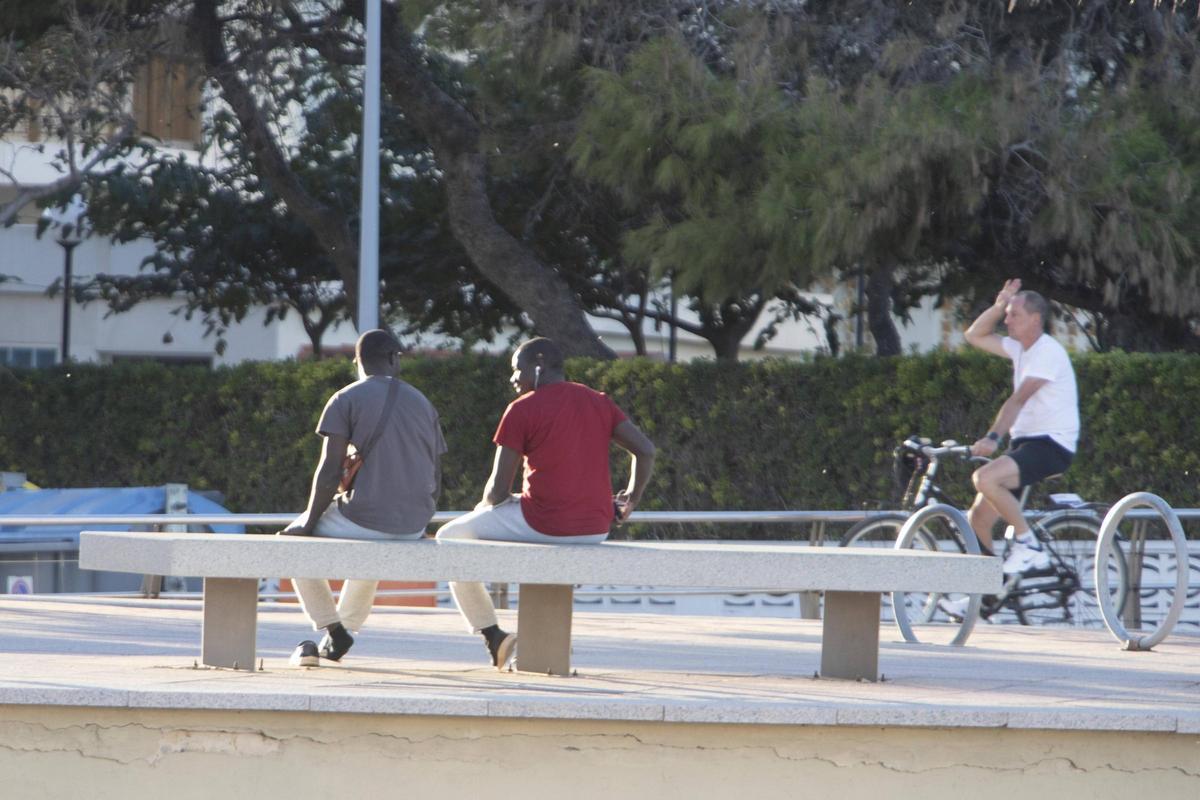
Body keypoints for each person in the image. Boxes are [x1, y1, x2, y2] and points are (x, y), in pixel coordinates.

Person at [435, 337, 656, 670]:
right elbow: (646, 450)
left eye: (516, 370)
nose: (512, 379)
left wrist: (486, 512)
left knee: (449, 537)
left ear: (537, 367)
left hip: (543, 523)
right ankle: (502, 639)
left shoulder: (522, 408)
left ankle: (492, 635)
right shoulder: (597, 401)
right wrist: (631, 499)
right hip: (596, 528)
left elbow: (496, 490)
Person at [279, 329, 447, 667]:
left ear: (357, 362)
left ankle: (332, 626)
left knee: (291, 546)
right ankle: (340, 633)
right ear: (394, 358)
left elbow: (328, 472)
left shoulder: (345, 398)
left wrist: (307, 523)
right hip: (413, 525)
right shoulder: (423, 402)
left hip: (365, 519)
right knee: (368, 541)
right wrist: (418, 519)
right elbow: (438, 475)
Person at [962, 278, 1079, 578]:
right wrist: (1000, 303)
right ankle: (986, 594)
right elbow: (974, 335)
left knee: (984, 478)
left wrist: (992, 437)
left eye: (1015, 314)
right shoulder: (1019, 349)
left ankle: (1030, 546)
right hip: (1026, 445)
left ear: (1035, 320)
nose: (1007, 319)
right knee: (978, 518)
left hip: (1051, 445)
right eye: (1007, 314)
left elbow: (1017, 401)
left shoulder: (1047, 352)